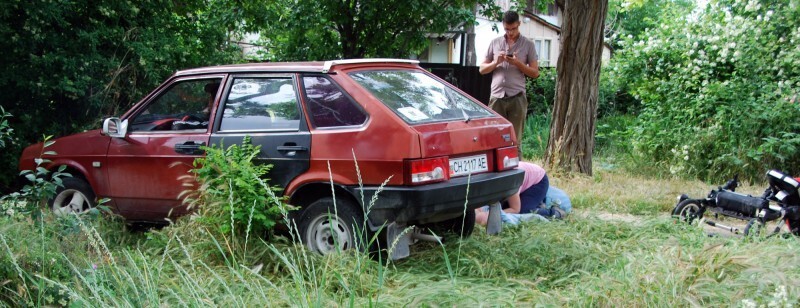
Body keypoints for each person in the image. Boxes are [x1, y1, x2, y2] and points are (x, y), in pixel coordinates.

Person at [479, 10, 540, 142]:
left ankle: (517, 163)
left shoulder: (528, 45)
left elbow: (535, 73)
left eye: (513, 29)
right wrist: (496, 62)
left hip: (517, 97)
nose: (510, 32)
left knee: (514, 140)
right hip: (497, 97)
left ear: (519, 24)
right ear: (503, 25)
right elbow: (482, 69)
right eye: (507, 29)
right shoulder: (495, 43)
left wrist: (518, 63)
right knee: (493, 138)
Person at [475, 161, 569, 226]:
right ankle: (536, 202)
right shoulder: (487, 179)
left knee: (524, 210)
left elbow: (515, 209)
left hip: (539, 181)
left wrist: (491, 214)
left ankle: (554, 212)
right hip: (524, 179)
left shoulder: (510, 182)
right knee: (503, 205)